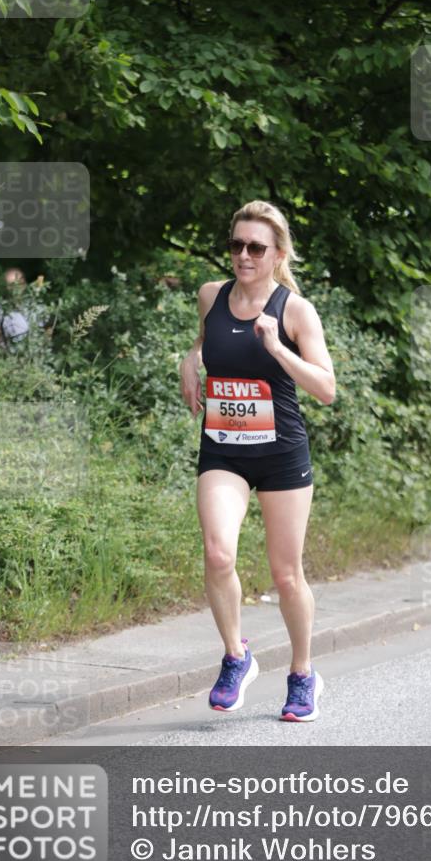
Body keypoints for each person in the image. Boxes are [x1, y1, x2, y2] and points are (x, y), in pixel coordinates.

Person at [180, 200, 336, 721]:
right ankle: (235, 656)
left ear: (277, 254)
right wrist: (191, 357)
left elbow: (327, 389)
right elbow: (209, 341)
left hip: (280, 455)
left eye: (255, 248)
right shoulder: (211, 295)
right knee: (218, 552)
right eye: (236, 245)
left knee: (286, 574)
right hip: (223, 448)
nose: (243, 256)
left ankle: (302, 674)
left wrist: (278, 350)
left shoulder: (295, 311)